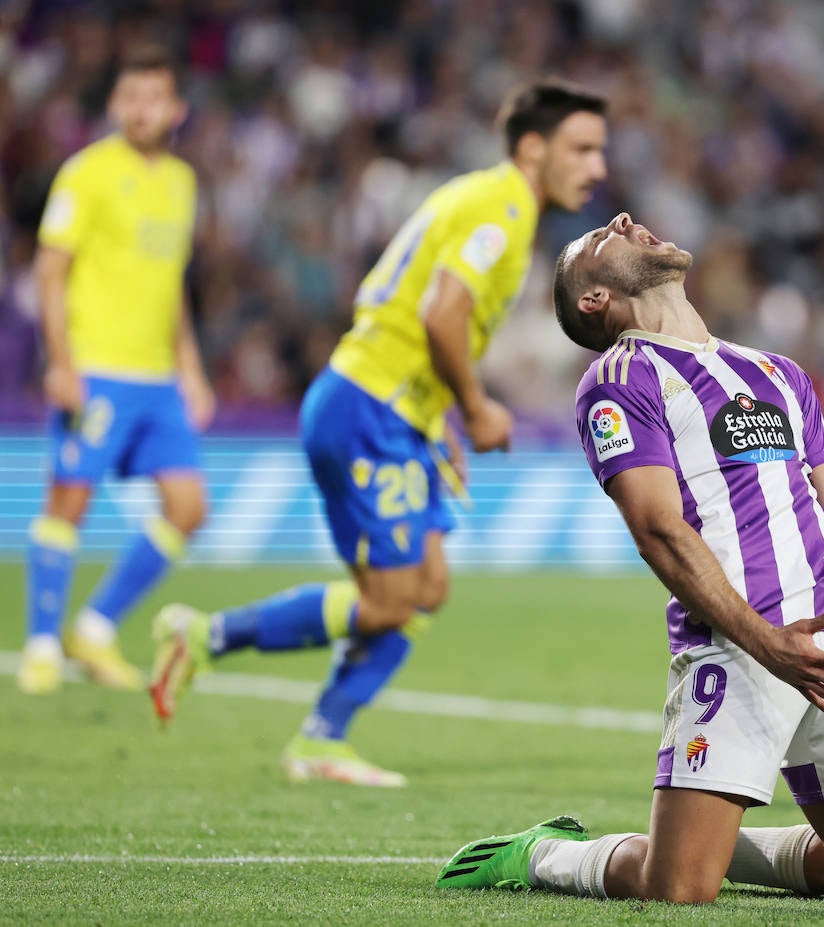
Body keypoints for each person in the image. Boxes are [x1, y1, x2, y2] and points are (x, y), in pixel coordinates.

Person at [436, 213, 824, 902]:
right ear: (595, 299)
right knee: (676, 887)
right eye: (599, 237)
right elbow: (657, 528)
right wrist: (765, 641)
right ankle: (544, 853)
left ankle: (705, 838)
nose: (623, 218)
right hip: (736, 645)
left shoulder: (775, 371)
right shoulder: (618, 380)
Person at [147, 81, 609, 786]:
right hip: (368, 405)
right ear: (533, 147)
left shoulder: (489, 198)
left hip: (396, 409)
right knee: (392, 597)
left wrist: (439, 418)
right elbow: (440, 314)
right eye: (582, 148)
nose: (597, 167)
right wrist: (477, 407)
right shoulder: (504, 206)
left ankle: (321, 739)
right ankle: (206, 636)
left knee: (426, 585)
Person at [17, 45, 214, 696]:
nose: (141, 110)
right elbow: (50, 271)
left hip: (157, 377)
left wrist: (191, 368)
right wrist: (61, 362)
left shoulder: (182, 184)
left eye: (154, 98)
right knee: (68, 500)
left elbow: (172, 286)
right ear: (113, 105)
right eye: (130, 97)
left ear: (176, 109)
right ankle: (42, 644)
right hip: (97, 367)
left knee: (187, 507)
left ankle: (95, 628)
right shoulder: (87, 174)